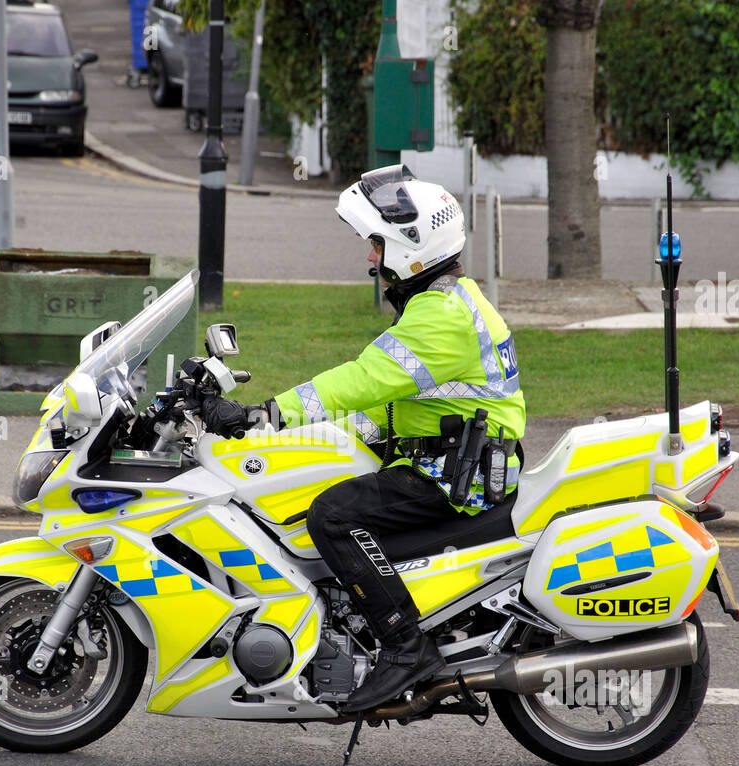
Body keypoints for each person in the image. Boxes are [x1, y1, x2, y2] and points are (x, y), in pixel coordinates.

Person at [200, 164, 526, 711]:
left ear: (409, 244)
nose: (370, 258)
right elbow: (386, 407)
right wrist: (289, 434)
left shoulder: (441, 316)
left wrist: (269, 413)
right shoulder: (442, 303)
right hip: (450, 459)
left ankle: (404, 646)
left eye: (377, 244)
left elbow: (364, 378)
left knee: (331, 514)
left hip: (450, 476)